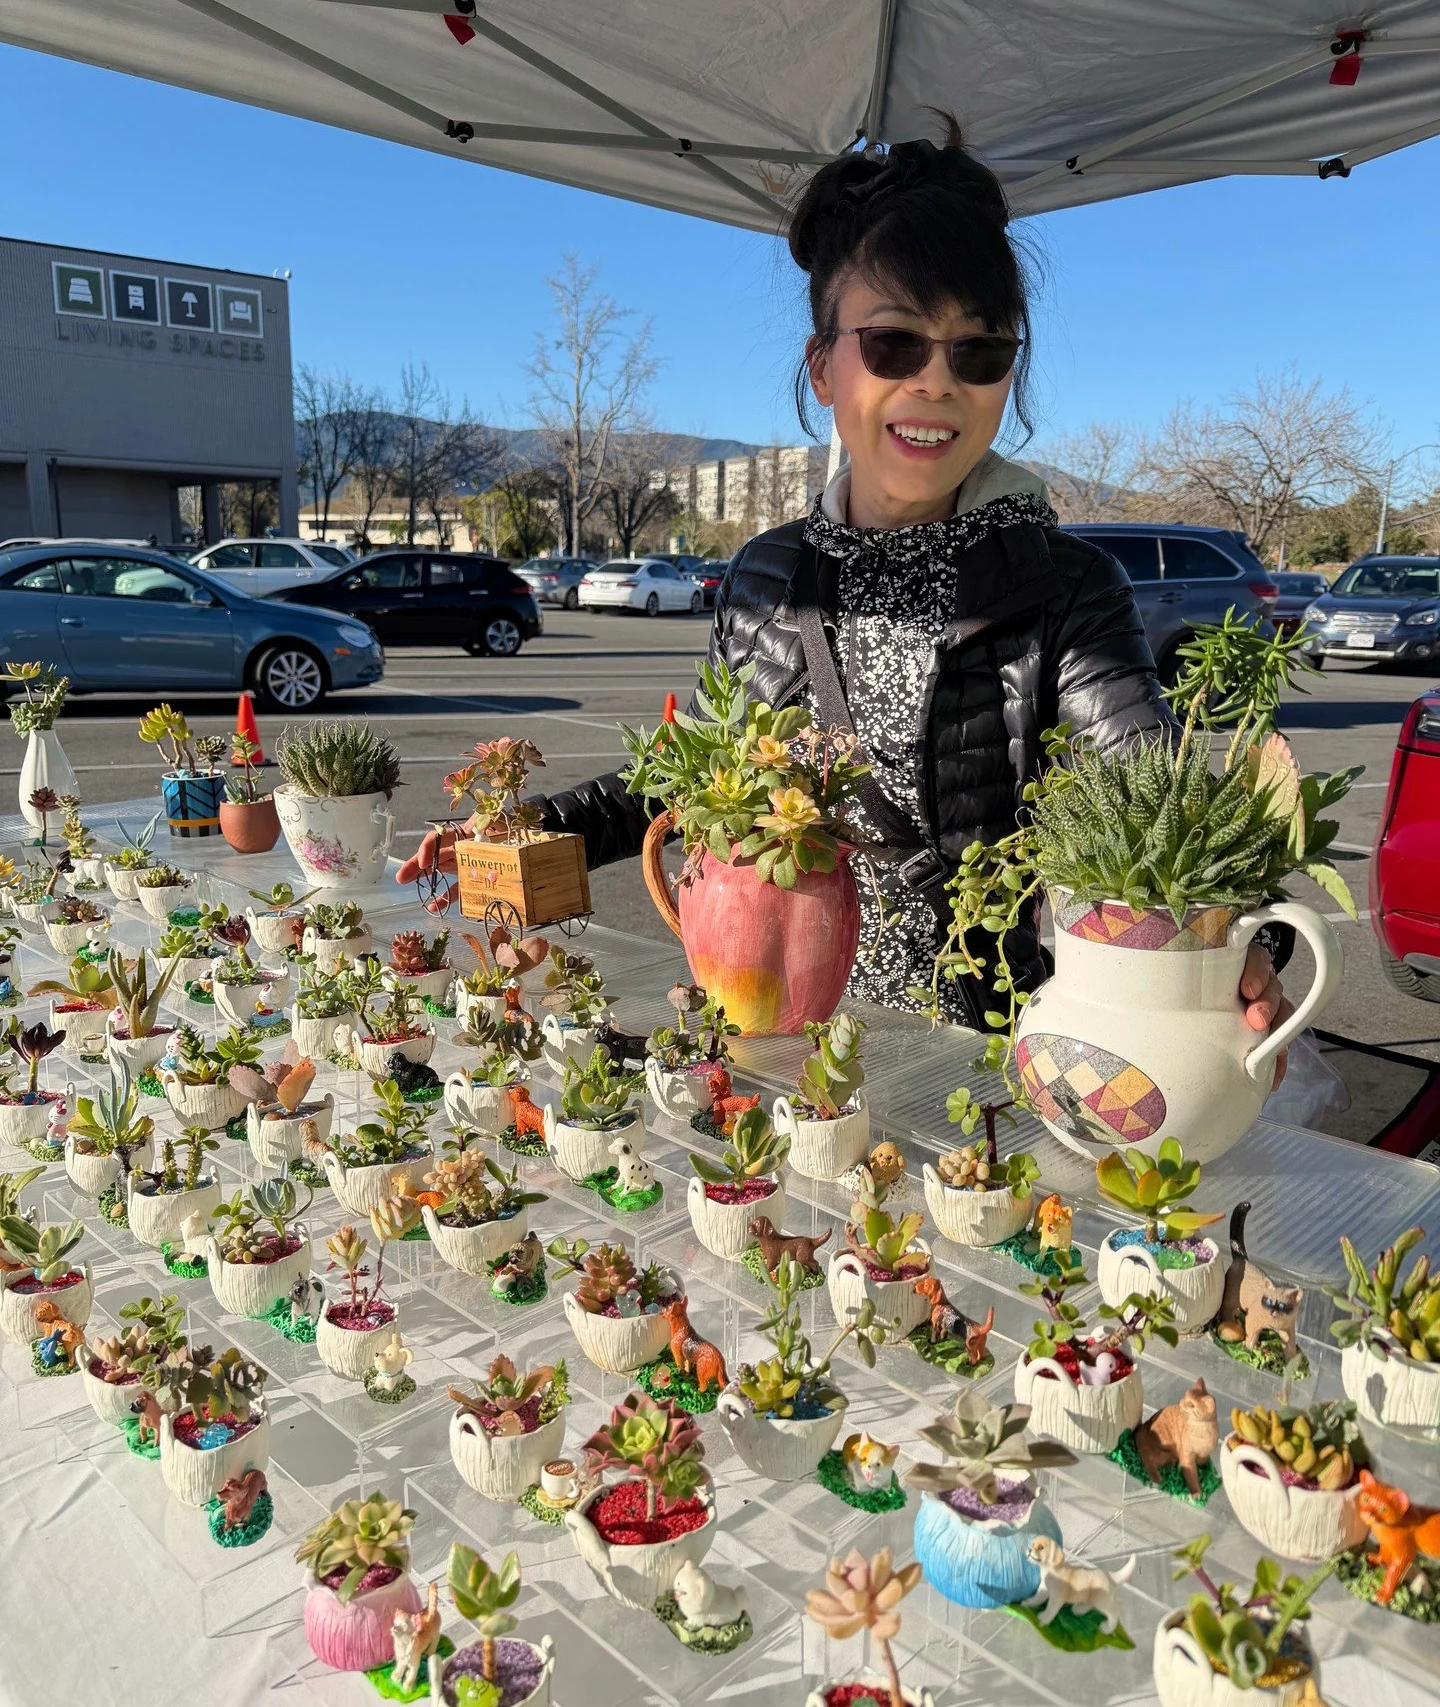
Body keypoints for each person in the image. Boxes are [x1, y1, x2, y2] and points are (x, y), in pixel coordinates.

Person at [401, 121, 1289, 1060]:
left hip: (989, 1059)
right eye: (896, 344)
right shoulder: (763, 577)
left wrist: (1243, 939)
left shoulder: (1062, 586)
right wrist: (526, 825)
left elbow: (1153, 796)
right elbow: (687, 777)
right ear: (824, 365)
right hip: (776, 1029)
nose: (939, 383)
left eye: (978, 352)